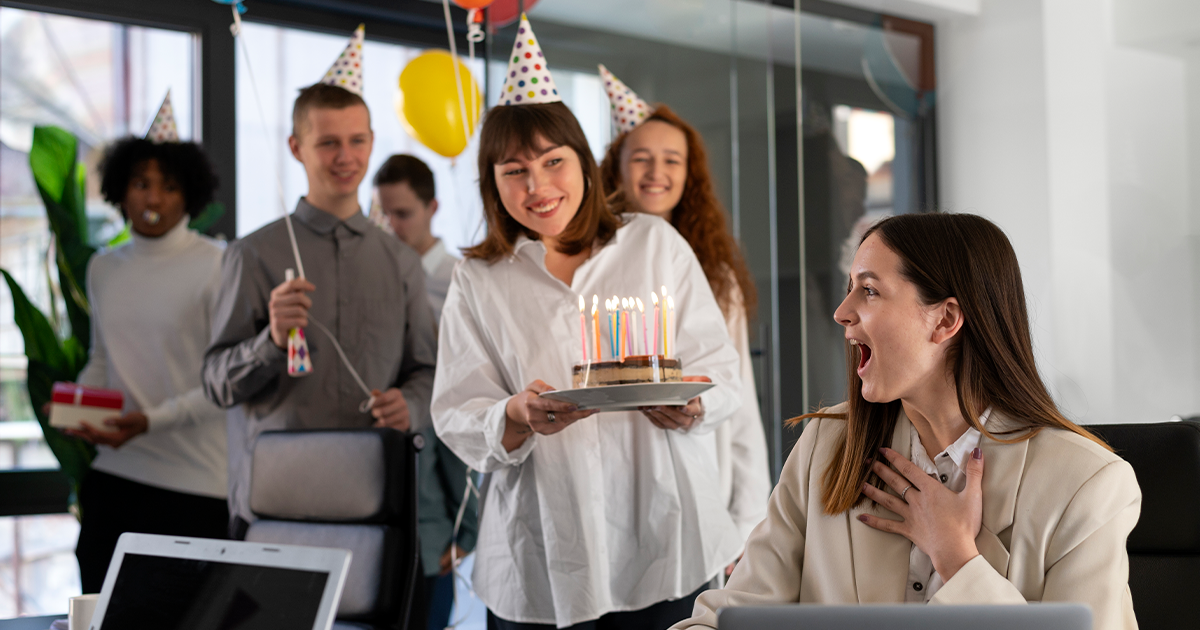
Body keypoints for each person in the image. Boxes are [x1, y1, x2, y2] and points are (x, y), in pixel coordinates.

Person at [672, 213, 1141, 630]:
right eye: (849, 288)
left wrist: (957, 559)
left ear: (945, 320)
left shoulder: (1088, 484)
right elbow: (725, 616)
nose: (842, 313)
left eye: (869, 290)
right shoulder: (827, 444)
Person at [431, 16, 743, 630]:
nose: (538, 186)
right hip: (542, 556)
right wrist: (514, 416)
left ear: (584, 163)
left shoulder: (653, 244)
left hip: (662, 540)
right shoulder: (479, 278)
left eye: (553, 161)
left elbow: (722, 373)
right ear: (493, 185)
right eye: (514, 171)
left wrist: (694, 405)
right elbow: (456, 412)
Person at [202, 28, 437, 530]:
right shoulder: (252, 254)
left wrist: (411, 406)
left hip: (376, 503)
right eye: (327, 142)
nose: (344, 157)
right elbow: (217, 384)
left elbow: (428, 371)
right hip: (275, 503)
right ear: (296, 147)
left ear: (372, 143)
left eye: (356, 141)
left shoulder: (401, 262)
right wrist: (270, 340)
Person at [598, 70, 770, 563]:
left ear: (688, 174)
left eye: (671, 160)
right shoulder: (591, 267)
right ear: (616, 168)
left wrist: (747, 519)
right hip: (616, 496)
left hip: (701, 491)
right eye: (642, 159)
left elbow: (741, 406)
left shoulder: (716, 274)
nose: (657, 172)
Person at [71, 93, 228, 593]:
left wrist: (150, 423)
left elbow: (225, 384)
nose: (154, 200)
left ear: (191, 195)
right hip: (114, 478)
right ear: (121, 189)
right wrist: (79, 409)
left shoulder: (220, 264)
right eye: (141, 184)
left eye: (169, 187)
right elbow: (103, 361)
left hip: (197, 486)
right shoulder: (103, 267)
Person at [373, 154, 479, 630]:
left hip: (440, 474)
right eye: (381, 214)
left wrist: (467, 527)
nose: (390, 226)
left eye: (402, 214)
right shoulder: (374, 279)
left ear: (433, 207)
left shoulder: (462, 281)